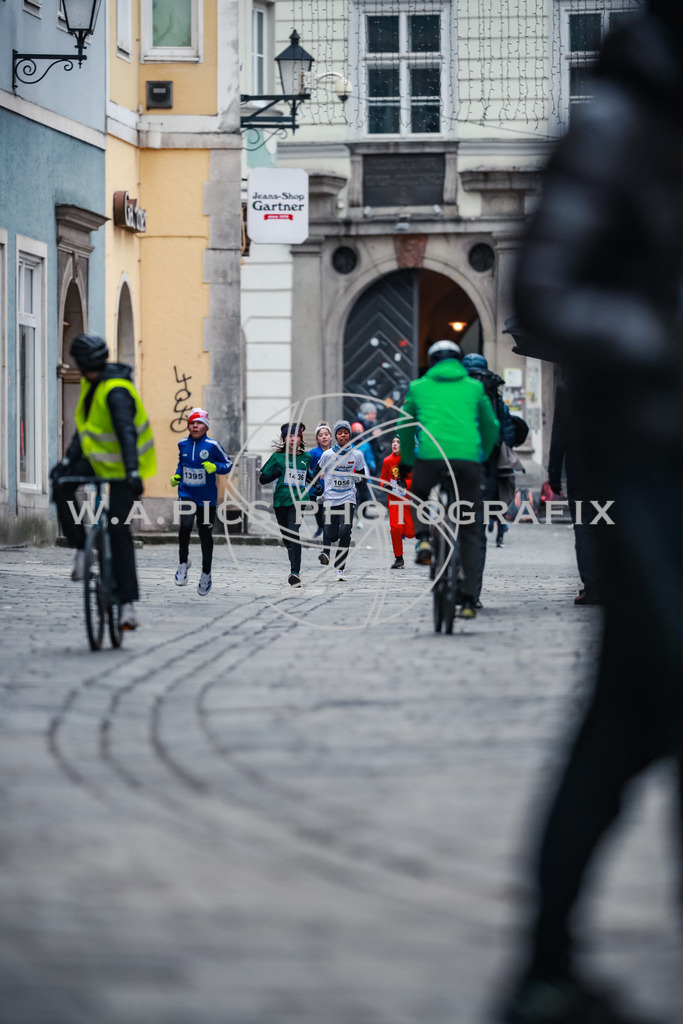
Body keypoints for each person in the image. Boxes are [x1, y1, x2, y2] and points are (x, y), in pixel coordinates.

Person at [499, 4, 683, 1022]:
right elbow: (541, 294)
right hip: (646, 473)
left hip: (646, 466)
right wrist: (660, 338)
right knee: (633, 715)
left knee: (620, 728)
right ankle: (541, 964)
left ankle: (543, 963)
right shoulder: (615, 123)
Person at [50, 333, 156, 631]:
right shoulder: (90, 385)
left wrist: (133, 472)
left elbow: (126, 432)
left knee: (117, 528)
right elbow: (84, 433)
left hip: (127, 467)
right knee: (60, 481)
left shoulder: (116, 390)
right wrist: (68, 462)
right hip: (99, 459)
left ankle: (127, 605)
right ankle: (83, 546)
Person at [396, 340, 500, 619]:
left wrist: (407, 462)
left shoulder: (418, 387)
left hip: (430, 457)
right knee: (468, 528)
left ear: (431, 362)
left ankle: (424, 539)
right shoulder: (474, 387)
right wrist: (482, 454)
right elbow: (492, 427)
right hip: (467, 460)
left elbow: (403, 427)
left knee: (418, 492)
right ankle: (467, 600)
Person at [461, 352, 515, 607]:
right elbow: (506, 431)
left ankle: (431, 547)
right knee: (477, 531)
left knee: (446, 516)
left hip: (449, 462)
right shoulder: (493, 392)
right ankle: (473, 594)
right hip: (483, 469)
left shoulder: (452, 389)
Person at [547, 373, 602, 606]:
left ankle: (592, 587)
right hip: (614, 471)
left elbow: (559, 433)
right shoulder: (622, 377)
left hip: (580, 471)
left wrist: (554, 473)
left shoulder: (568, 385)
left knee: (584, 528)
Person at [170, 407, 232, 595]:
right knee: (185, 526)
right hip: (187, 493)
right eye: (192, 423)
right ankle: (182, 563)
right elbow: (182, 463)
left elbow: (228, 464)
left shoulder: (213, 445)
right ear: (188, 425)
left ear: (205, 427)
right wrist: (177, 475)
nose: (195, 426)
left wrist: (215, 467)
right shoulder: (182, 444)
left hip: (207, 499)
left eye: (199, 423)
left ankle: (206, 573)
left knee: (205, 533)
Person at [259, 423, 311, 587]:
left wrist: (316, 484)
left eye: (296, 436)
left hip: (299, 501)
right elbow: (262, 479)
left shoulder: (306, 458)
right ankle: (292, 555)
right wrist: (276, 473)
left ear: (300, 439)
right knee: (287, 537)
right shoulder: (277, 457)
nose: (293, 438)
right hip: (281, 501)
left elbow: (306, 476)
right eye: (289, 436)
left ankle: (295, 572)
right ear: (284, 439)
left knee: (293, 532)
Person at [317, 420, 366, 581]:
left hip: (348, 497)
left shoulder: (356, 455)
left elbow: (362, 476)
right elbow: (316, 472)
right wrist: (319, 488)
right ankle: (327, 548)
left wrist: (358, 478)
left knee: (345, 532)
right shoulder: (328, 455)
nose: (343, 435)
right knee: (331, 535)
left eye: (345, 432)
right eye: (340, 433)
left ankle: (340, 569)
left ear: (349, 435)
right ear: (336, 436)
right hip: (331, 498)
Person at [379, 435, 415, 569]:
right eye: (393, 441)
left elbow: (416, 478)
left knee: (410, 533)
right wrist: (385, 486)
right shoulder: (387, 460)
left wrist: (406, 483)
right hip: (394, 500)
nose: (394, 444)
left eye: (398, 442)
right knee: (395, 529)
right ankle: (399, 558)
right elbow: (382, 478)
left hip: (407, 500)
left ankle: (423, 534)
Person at [307, 422, 333, 538]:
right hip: (315, 488)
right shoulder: (313, 453)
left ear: (331, 437)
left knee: (328, 511)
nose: (324, 437)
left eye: (326, 434)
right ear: (317, 438)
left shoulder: (335, 452)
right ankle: (320, 527)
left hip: (331, 487)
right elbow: (306, 468)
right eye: (321, 435)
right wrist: (315, 473)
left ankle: (327, 531)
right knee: (317, 511)